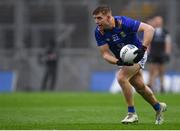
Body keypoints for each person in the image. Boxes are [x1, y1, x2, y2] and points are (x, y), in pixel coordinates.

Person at [92, 5, 167, 124]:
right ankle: (158, 107)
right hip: (124, 59)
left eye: (99, 18)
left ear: (108, 17)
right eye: (95, 19)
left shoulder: (124, 22)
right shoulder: (98, 32)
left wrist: (143, 49)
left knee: (121, 77)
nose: (97, 21)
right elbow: (105, 54)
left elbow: (149, 29)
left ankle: (132, 114)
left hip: (138, 54)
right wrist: (118, 61)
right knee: (140, 87)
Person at [147, 16, 172, 93]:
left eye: (159, 21)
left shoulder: (165, 32)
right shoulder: (152, 30)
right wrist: (148, 51)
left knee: (161, 71)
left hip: (161, 54)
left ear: (162, 22)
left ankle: (162, 86)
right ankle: (151, 86)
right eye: (156, 20)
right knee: (151, 71)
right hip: (153, 53)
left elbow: (168, 43)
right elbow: (148, 42)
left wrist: (167, 53)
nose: (158, 22)